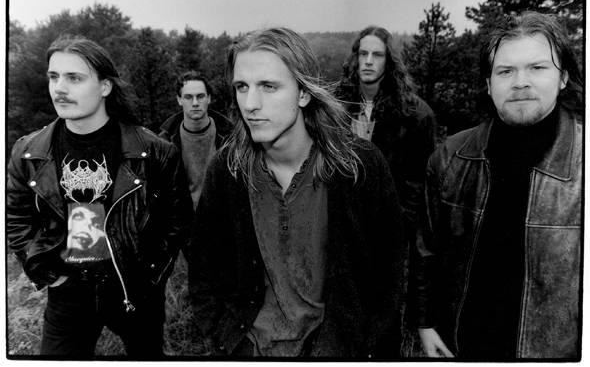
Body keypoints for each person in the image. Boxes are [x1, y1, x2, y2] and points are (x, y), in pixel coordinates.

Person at [188, 27, 406, 359]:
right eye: (242, 87)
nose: (250, 104)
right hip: (252, 349)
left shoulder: (359, 167)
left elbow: (387, 279)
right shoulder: (227, 170)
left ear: (303, 94)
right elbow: (204, 270)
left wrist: (367, 349)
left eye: (268, 86)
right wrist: (229, 340)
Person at [6, 35, 193, 359]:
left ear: (105, 86)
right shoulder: (28, 153)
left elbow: (177, 221)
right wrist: (50, 274)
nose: (59, 88)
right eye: (54, 77)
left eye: (74, 78)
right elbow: (17, 219)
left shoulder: (154, 152)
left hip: (133, 287)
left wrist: (150, 275)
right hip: (67, 292)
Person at [414, 11, 583, 360]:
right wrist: (425, 323)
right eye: (506, 71)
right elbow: (427, 252)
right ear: (489, 84)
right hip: (462, 348)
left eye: (537, 67)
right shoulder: (449, 158)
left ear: (563, 77)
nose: (521, 82)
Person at [337, 26, 436, 233]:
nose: (368, 61)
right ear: (356, 58)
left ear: (389, 61)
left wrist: (399, 228)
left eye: (377, 55)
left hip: (390, 228)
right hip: (344, 224)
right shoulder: (337, 107)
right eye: (363, 53)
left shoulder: (416, 115)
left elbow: (417, 184)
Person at [158, 71, 232, 210]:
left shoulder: (230, 137)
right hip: (182, 218)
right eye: (188, 97)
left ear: (209, 98)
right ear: (179, 100)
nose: (195, 103)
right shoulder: (164, 143)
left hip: (221, 216)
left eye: (200, 96)